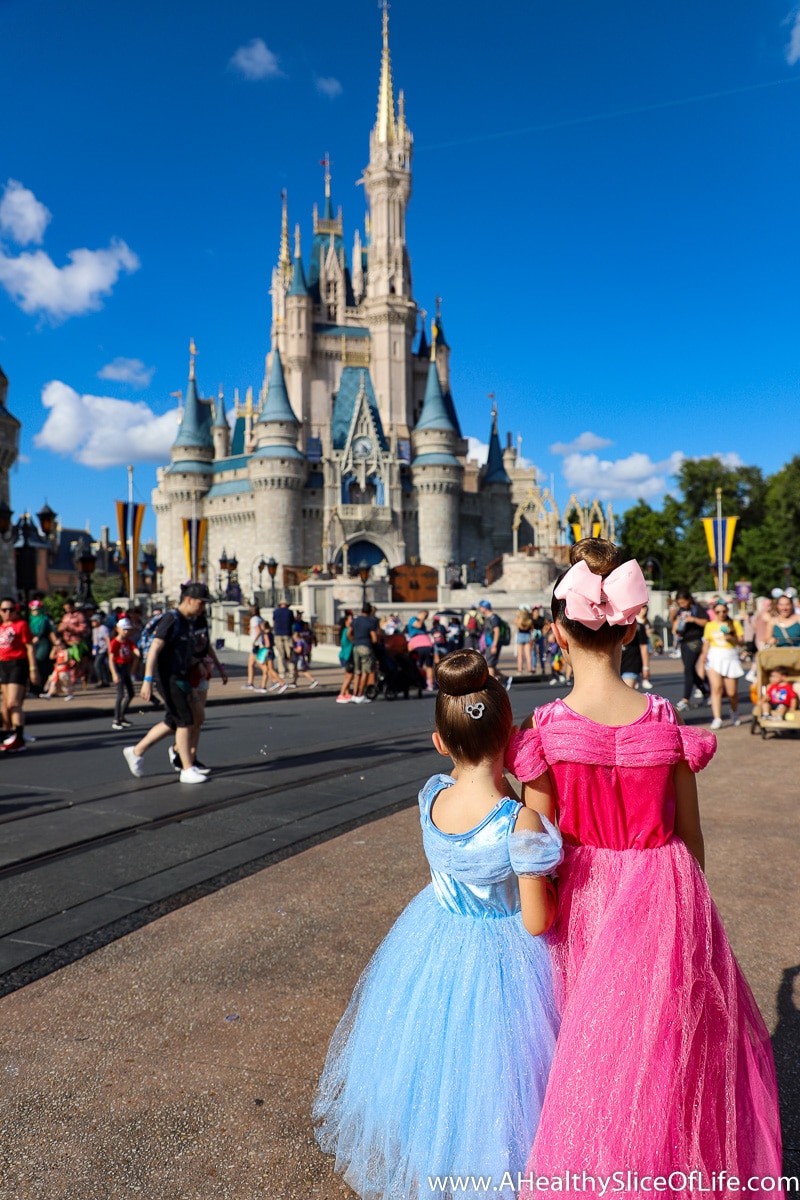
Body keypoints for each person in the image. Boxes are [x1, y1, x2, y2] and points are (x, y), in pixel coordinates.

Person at [505, 540, 782, 1184]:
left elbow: (539, 843)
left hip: (583, 896)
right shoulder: (664, 724)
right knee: (666, 1055)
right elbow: (691, 834)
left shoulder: (547, 732)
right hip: (664, 890)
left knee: (589, 1049)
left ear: (556, 633)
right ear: (632, 628)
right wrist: (692, 904)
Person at [313, 649, 562, 1195]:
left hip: (434, 940)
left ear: (439, 742)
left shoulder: (430, 797)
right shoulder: (517, 819)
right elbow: (538, 922)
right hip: (504, 958)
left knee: (433, 1068)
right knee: (499, 1083)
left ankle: (433, 1160)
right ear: (511, 737)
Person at [122, 583, 211, 784]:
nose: (203, 607)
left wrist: (197, 663)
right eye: (201, 603)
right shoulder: (171, 619)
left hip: (182, 676)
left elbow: (181, 651)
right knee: (185, 720)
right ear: (188, 600)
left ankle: (136, 751)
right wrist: (147, 680)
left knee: (178, 720)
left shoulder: (189, 621)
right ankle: (187, 768)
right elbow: (154, 649)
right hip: (167, 678)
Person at [167, 608, 228, 772]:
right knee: (191, 718)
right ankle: (178, 751)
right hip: (188, 672)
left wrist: (220, 667)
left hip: (203, 672)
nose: (203, 607)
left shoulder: (201, 621)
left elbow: (206, 646)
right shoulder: (183, 621)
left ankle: (192, 757)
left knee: (199, 719)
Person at [698, 599, 744, 730]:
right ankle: (717, 718)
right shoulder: (710, 625)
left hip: (730, 656)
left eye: (724, 611)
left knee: (732, 692)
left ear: (727, 611)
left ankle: (734, 712)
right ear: (714, 612)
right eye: (718, 611)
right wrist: (704, 655)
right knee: (716, 688)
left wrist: (732, 638)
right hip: (714, 657)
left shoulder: (733, 623)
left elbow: (741, 642)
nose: (721, 614)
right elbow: (706, 642)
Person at [0, 598, 38, 751]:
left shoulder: (21, 625)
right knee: (5, 706)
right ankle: (10, 735)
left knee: (13, 703)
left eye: (11, 609)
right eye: (4, 610)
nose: (8, 613)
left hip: (18, 663)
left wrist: (33, 669)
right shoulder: (1, 627)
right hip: (3, 665)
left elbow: (29, 648)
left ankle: (19, 737)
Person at [672, 588, 710, 711]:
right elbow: (676, 627)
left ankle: (685, 699)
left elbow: (706, 622)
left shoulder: (697, 608)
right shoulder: (681, 610)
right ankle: (706, 692)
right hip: (683, 641)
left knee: (688, 669)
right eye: (679, 603)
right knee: (691, 671)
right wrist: (676, 621)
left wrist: (693, 619)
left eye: (683, 602)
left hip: (695, 642)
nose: (682, 605)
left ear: (688, 599)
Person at [109, 617, 140, 731]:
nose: (126, 632)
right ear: (118, 629)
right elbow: (111, 659)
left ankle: (122, 716)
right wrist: (114, 673)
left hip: (126, 667)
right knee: (120, 694)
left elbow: (135, 650)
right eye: (124, 629)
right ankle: (116, 719)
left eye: (128, 629)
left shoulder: (128, 641)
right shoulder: (114, 643)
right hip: (118, 667)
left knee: (131, 693)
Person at [349, 602, 378, 704]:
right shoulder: (370, 622)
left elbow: (349, 633)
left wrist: (354, 640)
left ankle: (354, 693)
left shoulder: (356, 621)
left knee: (357, 672)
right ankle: (361, 694)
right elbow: (374, 638)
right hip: (366, 647)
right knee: (365, 671)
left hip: (356, 646)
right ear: (370, 611)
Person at [619, 602, 652, 690]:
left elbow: (644, 647)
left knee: (626, 695)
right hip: (616, 666)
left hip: (631, 664)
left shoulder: (638, 626)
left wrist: (646, 667)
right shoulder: (613, 626)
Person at [29, 599, 56, 690]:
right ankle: (33, 687)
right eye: (33, 609)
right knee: (33, 664)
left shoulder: (45, 619)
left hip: (43, 642)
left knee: (40, 662)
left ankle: (40, 687)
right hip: (32, 643)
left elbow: (44, 631)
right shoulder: (30, 619)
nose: (35, 611)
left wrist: (38, 637)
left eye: (37, 609)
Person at [406, 609, 435, 691]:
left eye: (426, 616)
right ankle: (419, 682)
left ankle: (430, 684)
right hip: (417, 645)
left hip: (427, 644)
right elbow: (417, 625)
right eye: (424, 615)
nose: (424, 617)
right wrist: (422, 617)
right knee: (418, 665)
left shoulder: (423, 624)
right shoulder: (413, 619)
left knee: (429, 666)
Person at [40, 633, 75, 700]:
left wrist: (60, 663)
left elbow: (66, 660)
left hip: (64, 669)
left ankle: (70, 694)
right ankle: (49, 694)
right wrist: (53, 650)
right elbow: (51, 657)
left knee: (65, 682)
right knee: (53, 681)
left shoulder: (65, 651)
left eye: (59, 645)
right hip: (57, 669)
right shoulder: (58, 652)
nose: (58, 646)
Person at [242, 604, 265, 690]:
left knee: (261, 664)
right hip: (260, 644)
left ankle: (276, 680)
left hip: (257, 644)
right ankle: (250, 682)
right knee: (251, 663)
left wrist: (254, 641)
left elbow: (258, 631)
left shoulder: (254, 620)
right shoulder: (260, 619)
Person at [335, 611, 355, 703]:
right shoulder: (347, 631)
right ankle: (341, 694)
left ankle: (346, 693)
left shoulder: (344, 630)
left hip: (343, 655)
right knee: (349, 676)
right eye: (351, 619)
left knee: (347, 675)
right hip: (346, 656)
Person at [272, 600, 293, 681]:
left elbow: (274, 622)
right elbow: (292, 622)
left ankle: (282, 672)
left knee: (281, 654)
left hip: (278, 634)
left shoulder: (276, 612)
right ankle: (291, 671)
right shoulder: (289, 612)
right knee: (289, 654)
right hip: (287, 634)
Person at [91, 612, 111, 686]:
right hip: (97, 649)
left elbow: (107, 639)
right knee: (101, 665)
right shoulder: (94, 630)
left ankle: (101, 680)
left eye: (94, 621)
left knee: (97, 664)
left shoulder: (103, 628)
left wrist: (110, 649)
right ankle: (105, 680)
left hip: (103, 649)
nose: (92, 623)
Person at [514, 604, 534, 674]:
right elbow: (532, 629)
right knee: (528, 654)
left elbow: (515, 622)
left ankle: (520, 670)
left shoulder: (520, 621)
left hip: (520, 635)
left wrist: (517, 614)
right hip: (527, 636)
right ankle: (530, 669)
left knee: (520, 655)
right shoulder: (529, 621)